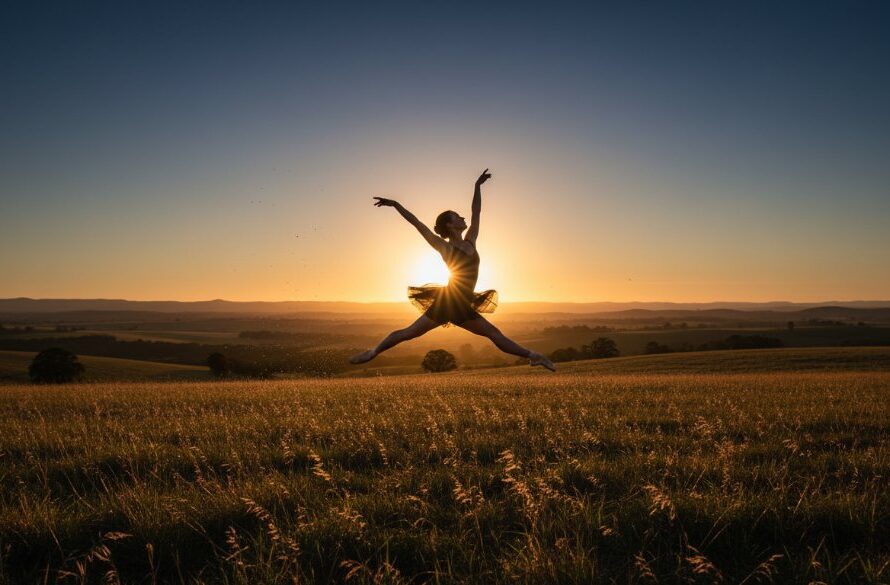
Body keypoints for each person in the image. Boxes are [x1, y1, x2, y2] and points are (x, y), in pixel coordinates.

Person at [350, 169, 556, 371]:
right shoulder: (445, 248)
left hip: (463, 304)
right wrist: (395, 204)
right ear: (450, 225)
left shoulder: (471, 241)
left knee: (494, 334)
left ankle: (534, 356)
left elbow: (477, 212)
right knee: (410, 332)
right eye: (457, 216)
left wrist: (477, 186)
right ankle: (373, 352)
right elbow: (417, 224)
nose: (462, 218)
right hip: (448, 303)